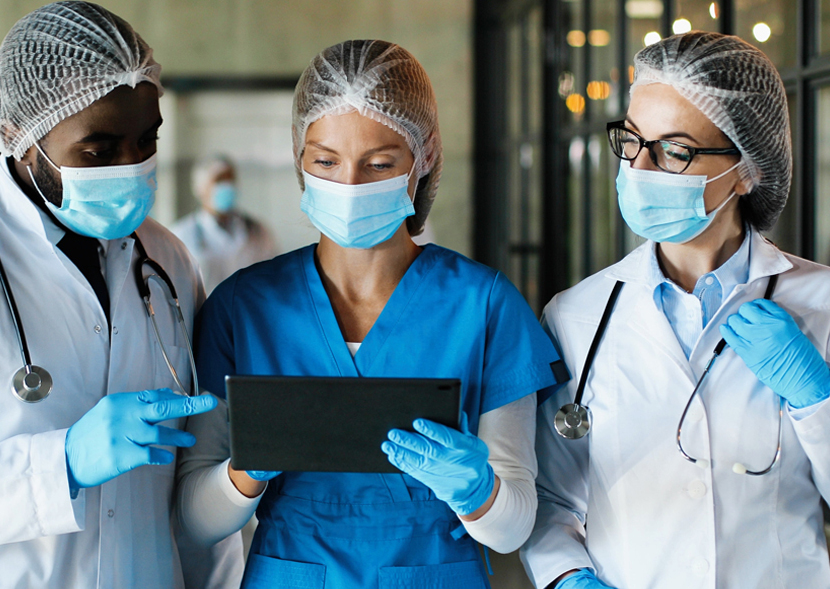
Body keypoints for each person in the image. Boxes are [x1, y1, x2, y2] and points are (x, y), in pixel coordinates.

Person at [176, 39, 562, 588]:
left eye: (379, 163)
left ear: (423, 157)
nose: (350, 185)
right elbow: (195, 519)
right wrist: (245, 471)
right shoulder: (243, 307)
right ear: (299, 158)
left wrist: (477, 490)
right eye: (326, 161)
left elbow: (513, 527)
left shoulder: (485, 304)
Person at [0, 1, 218, 587]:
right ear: (19, 135)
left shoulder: (165, 259)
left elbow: (190, 493)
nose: (131, 166)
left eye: (147, 141)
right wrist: (56, 466)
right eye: (99, 151)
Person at [519, 31, 830, 588]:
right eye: (633, 140)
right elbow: (548, 498)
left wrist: (818, 398)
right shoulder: (576, 316)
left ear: (746, 169)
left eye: (676, 150)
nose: (640, 167)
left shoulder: (821, 304)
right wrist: (567, 578)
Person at [170, 156, 276, 291]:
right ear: (200, 188)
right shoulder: (181, 235)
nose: (227, 185)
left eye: (230, 179)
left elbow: (273, 276)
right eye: (219, 180)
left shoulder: (258, 231)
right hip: (206, 311)